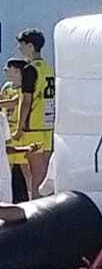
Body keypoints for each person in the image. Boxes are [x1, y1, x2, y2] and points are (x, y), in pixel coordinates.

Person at [14, 29, 54, 199]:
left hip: (33, 127)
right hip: (48, 126)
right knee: (45, 174)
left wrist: (19, 127)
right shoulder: (48, 67)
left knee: (35, 176)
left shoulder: (30, 69)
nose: (19, 48)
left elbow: (26, 101)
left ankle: (38, 214)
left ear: (30, 46)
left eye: (21, 45)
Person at [1, 59, 36, 201]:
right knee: (5, 166)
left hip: (19, 131)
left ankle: (30, 198)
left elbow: (13, 102)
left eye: (7, 68)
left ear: (17, 71)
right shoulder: (7, 87)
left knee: (25, 168)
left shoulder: (23, 88)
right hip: (6, 130)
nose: (4, 71)